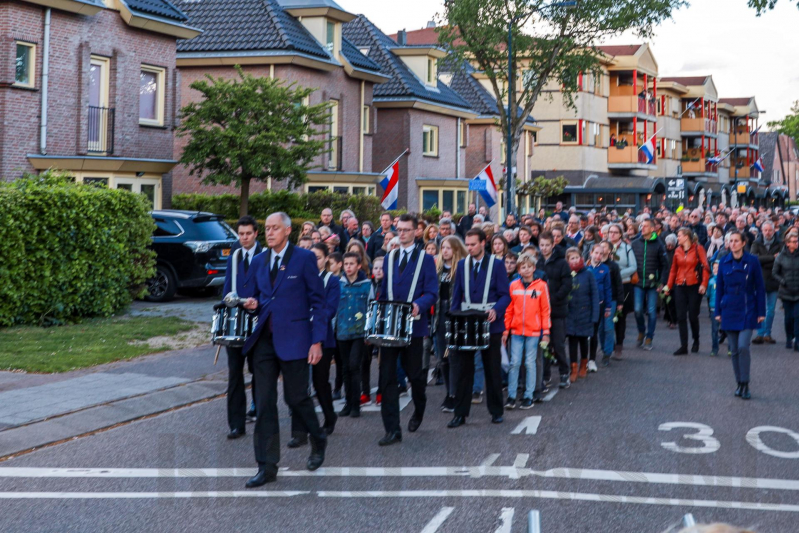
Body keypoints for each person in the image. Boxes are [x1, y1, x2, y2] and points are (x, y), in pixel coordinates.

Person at [240, 212, 328, 488]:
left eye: (275, 228)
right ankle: (266, 467)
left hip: (296, 340)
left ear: (288, 231)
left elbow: (319, 302)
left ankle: (317, 437)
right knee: (264, 404)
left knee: (296, 398)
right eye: (266, 228)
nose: (270, 232)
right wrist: (250, 303)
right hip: (264, 341)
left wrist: (317, 341)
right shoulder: (258, 261)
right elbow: (255, 295)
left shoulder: (303, 259)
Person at [377, 214, 438, 446]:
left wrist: (418, 305)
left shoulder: (426, 259)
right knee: (387, 378)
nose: (400, 233)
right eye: (398, 229)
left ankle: (419, 409)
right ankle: (392, 429)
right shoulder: (389, 257)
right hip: (391, 327)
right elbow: (383, 291)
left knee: (415, 377)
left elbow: (432, 292)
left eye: (405, 230)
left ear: (415, 232)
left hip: (414, 327)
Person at [447, 228, 510, 428]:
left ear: (484, 243)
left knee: (492, 369)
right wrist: (453, 321)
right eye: (467, 244)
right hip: (466, 324)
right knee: (463, 370)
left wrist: (497, 311)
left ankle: (496, 411)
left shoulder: (497, 265)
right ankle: (460, 414)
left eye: (473, 244)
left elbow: (505, 295)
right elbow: (456, 296)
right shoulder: (462, 264)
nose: (469, 247)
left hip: (491, 324)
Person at [288, 243, 340, 448]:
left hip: (321, 338)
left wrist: (312, 320)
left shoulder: (332, 281)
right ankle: (299, 432)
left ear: (326, 259)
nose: (313, 261)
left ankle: (329, 416)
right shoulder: (298, 279)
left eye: (318, 257)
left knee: (320, 382)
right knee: (299, 385)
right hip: (300, 337)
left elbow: (330, 310)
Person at [220, 216, 263, 440]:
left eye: (248, 233)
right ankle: (236, 424)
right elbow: (227, 288)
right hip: (236, 323)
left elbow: (270, 290)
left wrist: (257, 302)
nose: (244, 237)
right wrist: (232, 299)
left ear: (256, 233)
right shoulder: (234, 257)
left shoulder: (265, 257)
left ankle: (261, 416)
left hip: (259, 325)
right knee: (235, 375)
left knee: (260, 372)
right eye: (241, 234)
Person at [715, 230, 766, 400]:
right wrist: (717, 311)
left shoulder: (752, 261)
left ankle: (746, 383)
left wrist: (761, 311)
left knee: (743, 346)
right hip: (729, 308)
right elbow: (720, 287)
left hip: (747, 307)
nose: (733, 243)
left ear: (744, 243)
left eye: (737, 241)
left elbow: (760, 287)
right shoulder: (724, 261)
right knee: (734, 350)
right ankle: (739, 383)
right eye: (731, 241)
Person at [503, 252, 551, 409]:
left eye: (529, 267)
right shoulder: (513, 286)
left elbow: (545, 310)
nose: (526, 270)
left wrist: (546, 332)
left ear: (534, 268)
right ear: (518, 269)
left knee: (530, 363)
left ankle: (528, 395)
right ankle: (511, 396)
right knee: (514, 363)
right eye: (523, 267)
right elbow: (509, 310)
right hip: (516, 331)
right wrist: (505, 330)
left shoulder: (541, 286)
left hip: (534, 332)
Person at [335, 252, 374, 419]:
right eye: (346, 264)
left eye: (352, 264)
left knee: (354, 366)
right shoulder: (338, 284)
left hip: (359, 332)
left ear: (359, 266)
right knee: (344, 367)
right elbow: (334, 309)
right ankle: (348, 402)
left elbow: (371, 308)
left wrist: (369, 331)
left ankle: (356, 404)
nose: (348, 267)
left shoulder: (366, 285)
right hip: (342, 331)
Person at [434, 235, 468, 413]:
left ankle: (454, 395)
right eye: (442, 248)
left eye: (448, 248)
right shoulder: (438, 268)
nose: (444, 251)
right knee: (442, 359)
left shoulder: (462, 267)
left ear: (455, 249)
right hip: (440, 315)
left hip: (456, 315)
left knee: (454, 357)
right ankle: (449, 392)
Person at [664, 228, 710, 355]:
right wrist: (668, 286)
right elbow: (673, 269)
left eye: (679, 236)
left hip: (694, 286)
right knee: (681, 316)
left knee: (693, 316)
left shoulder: (698, 248)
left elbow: (705, 267)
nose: (677, 238)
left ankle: (696, 340)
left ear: (686, 237)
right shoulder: (677, 251)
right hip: (680, 286)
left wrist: (704, 284)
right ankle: (683, 346)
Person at [537, 232, 573, 390]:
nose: (544, 248)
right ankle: (545, 375)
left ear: (553, 245)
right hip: (539, 311)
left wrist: (553, 299)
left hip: (557, 309)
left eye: (547, 245)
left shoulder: (562, 263)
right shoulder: (537, 262)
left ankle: (564, 373)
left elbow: (567, 285)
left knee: (558, 344)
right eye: (541, 245)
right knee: (543, 344)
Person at [631, 218, 669, 351]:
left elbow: (665, 265)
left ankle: (649, 337)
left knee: (652, 311)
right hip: (638, 282)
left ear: (653, 229)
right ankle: (641, 331)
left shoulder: (659, 244)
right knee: (637, 310)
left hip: (653, 283)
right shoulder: (635, 243)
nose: (643, 228)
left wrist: (662, 282)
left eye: (646, 226)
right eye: (642, 225)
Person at [565, 247, 599, 382]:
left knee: (583, 340)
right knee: (572, 341)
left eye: (576, 257)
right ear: (567, 260)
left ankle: (583, 364)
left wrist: (594, 315)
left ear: (581, 258)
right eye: (571, 258)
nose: (574, 260)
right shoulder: (566, 273)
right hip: (570, 312)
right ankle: (573, 367)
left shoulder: (588, 273)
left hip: (585, 311)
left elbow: (595, 295)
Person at [607, 223, 636, 359]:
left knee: (620, 316)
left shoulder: (626, 248)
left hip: (624, 284)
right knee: (608, 315)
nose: (612, 234)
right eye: (610, 232)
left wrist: (618, 274)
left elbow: (633, 267)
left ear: (620, 234)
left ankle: (619, 345)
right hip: (607, 285)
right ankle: (609, 344)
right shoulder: (604, 247)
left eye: (615, 232)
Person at [751, 221, 781, 345]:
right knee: (760, 307)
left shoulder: (780, 243)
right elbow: (754, 259)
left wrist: (764, 260)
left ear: (774, 230)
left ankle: (767, 333)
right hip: (759, 278)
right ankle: (760, 333)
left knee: (771, 309)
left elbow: (780, 260)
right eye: (765, 230)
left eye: (770, 230)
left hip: (774, 279)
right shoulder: (756, 243)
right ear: (761, 231)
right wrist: (772, 258)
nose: (768, 232)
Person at [362, 256, 385, 406]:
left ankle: (381, 392)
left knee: (383, 362)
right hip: (369, 325)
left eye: (381, 268)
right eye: (375, 268)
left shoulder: (388, 285)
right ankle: (364, 392)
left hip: (383, 326)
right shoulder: (368, 284)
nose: (378, 271)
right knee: (365, 360)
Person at [772, 231, 799, 350]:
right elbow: (775, 273)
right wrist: (783, 281)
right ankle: (789, 337)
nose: (795, 243)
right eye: (793, 242)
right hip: (786, 291)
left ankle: (797, 340)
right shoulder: (781, 256)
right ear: (787, 243)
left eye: (797, 241)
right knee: (789, 317)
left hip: (798, 291)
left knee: (797, 316)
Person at [586, 246, 612, 373]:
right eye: (596, 253)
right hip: (585, 305)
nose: (598, 256)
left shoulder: (605, 269)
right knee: (584, 333)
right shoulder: (585, 268)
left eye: (601, 254)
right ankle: (583, 360)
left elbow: (607, 288)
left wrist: (608, 307)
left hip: (599, 304)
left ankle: (592, 360)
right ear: (591, 253)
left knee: (594, 332)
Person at [599, 241, 623, 366]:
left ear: (609, 251)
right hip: (597, 300)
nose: (601, 249)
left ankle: (607, 353)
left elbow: (619, 284)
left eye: (604, 247)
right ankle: (604, 348)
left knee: (608, 327)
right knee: (600, 328)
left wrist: (620, 301)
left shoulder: (613, 266)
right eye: (600, 246)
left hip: (611, 299)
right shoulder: (593, 264)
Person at [707, 260, 720, 357]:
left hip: (724, 308)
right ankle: (714, 348)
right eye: (714, 268)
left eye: (718, 268)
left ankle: (730, 348)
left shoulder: (725, 280)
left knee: (727, 329)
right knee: (714, 329)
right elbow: (707, 294)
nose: (715, 270)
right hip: (713, 307)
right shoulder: (710, 281)